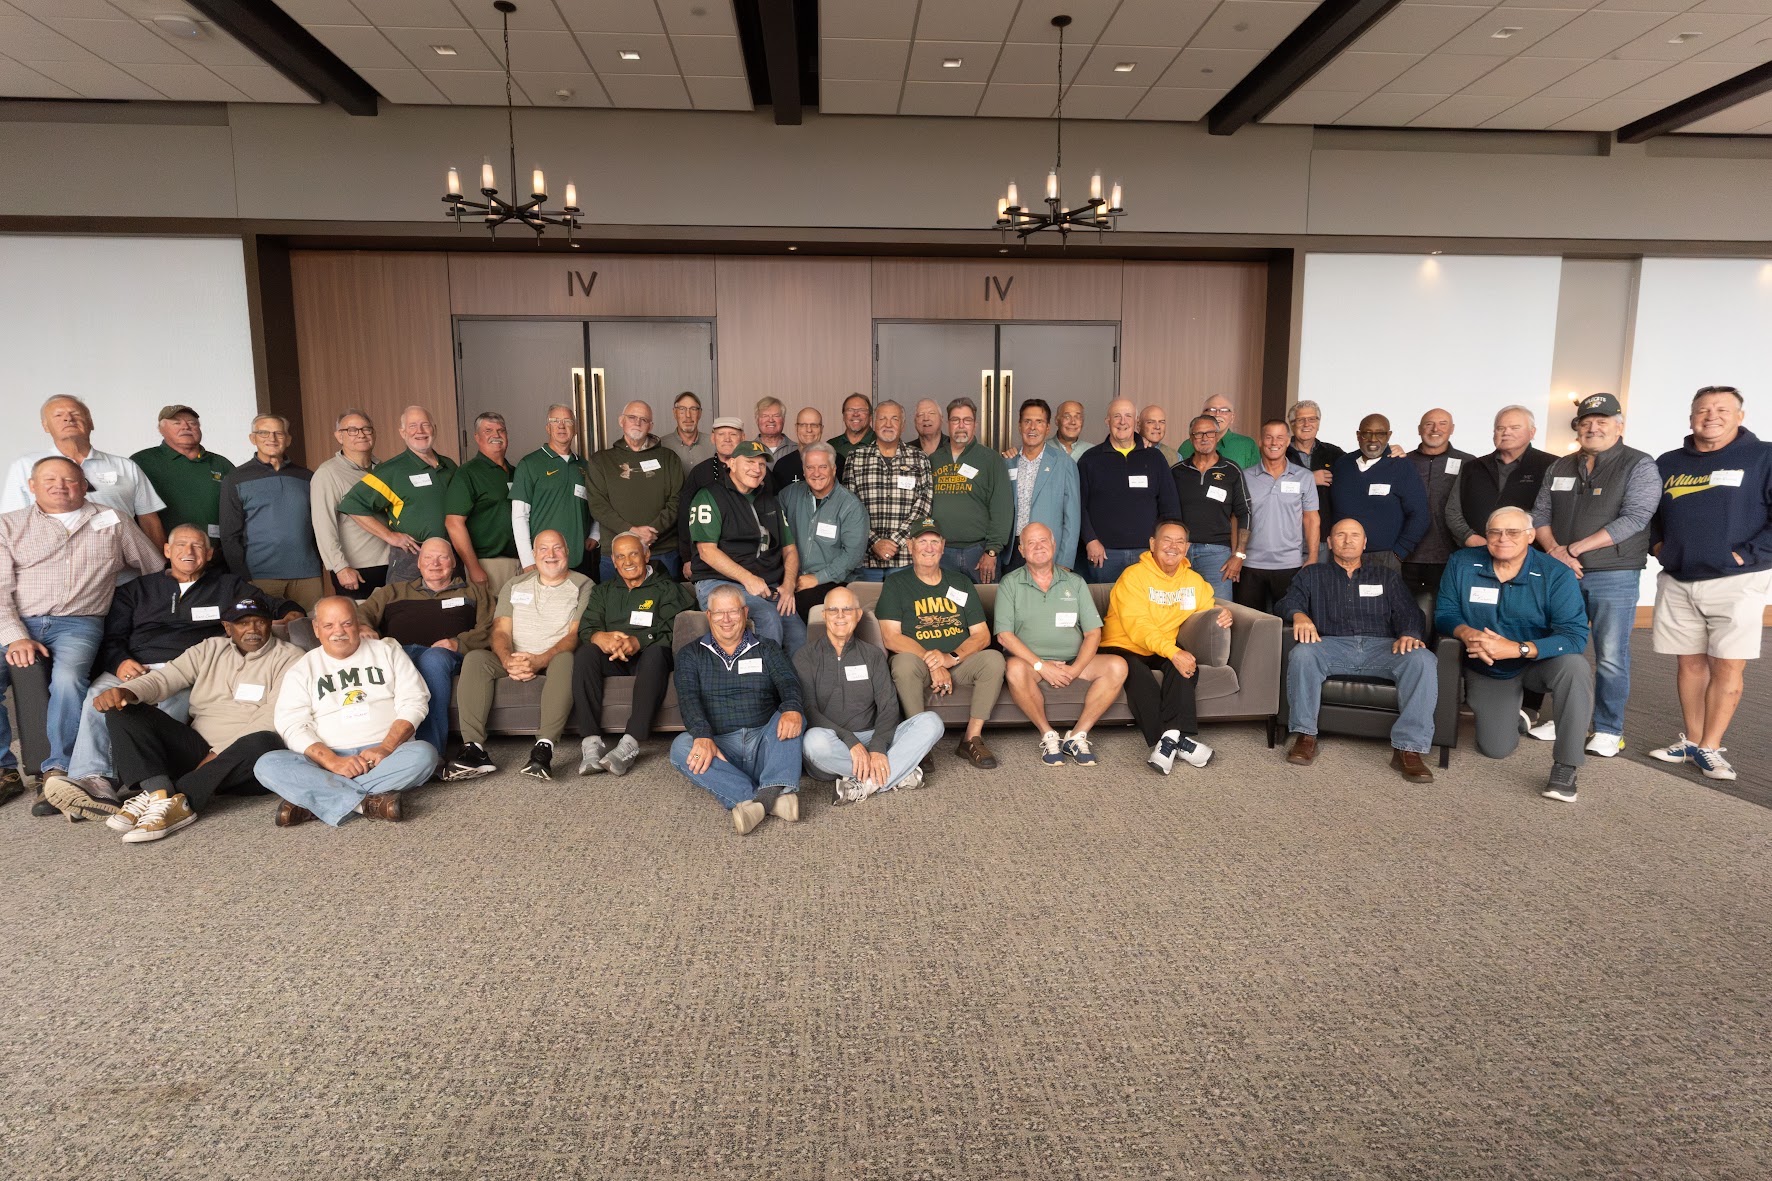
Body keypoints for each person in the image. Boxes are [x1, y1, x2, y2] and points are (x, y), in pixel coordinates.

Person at [65, 523, 300, 805]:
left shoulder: (228, 587)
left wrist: (292, 612)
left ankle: (167, 791)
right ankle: (95, 780)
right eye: (181, 545)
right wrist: (121, 667)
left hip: (190, 674)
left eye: (198, 546)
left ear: (209, 554)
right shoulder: (139, 590)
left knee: (177, 705)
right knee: (108, 700)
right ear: (166, 550)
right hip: (135, 666)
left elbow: (268, 605)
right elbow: (114, 638)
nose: (189, 551)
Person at [4, 457, 164, 819]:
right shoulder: (8, 524)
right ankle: (4, 768)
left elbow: (153, 567)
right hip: (16, 620)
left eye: (69, 479)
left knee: (68, 679)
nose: (60, 486)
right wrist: (15, 637)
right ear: (32, 486)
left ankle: (57, 770)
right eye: (50, 479)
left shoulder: (113, 520)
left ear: (84, 485)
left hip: (79, 622)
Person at [94, 595, 304, 844]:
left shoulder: (290, 657)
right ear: (227, 627)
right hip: (197, 750)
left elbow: (272, 715)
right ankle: (158, 792)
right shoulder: (209, 649)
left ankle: (180, 801)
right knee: (122, 709)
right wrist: (127, 691)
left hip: (243, 764)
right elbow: (165, 678)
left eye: (259, 622)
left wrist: (218, 754)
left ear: (270, 623)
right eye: (242, 623)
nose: (252, 630)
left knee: (264, 740)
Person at [1646, 385, 1772, 783]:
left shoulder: (1764, 456)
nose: (1711, 416)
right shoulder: (1668, 462)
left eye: (1721, 409)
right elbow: (1651, 514)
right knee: (1689, 663)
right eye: (1702, 410)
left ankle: (1712, 747)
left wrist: (1746, 555)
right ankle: (1694, 740)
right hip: (1679, 578)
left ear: (1740, 416)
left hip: (1737, 581)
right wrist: (1658, 546)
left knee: (1727, 664)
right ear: (1691, 418)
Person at [1436, 507, 1593, 803]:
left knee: (1575, 668)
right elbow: (1445, 612)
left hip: (1538, 663)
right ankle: (1516, 717)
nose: (1502, 538)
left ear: (1531, 536)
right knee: (1495, 749)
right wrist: (1467, 633)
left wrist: (1518, 648)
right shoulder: (1462, 562)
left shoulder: (1556, 573)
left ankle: (1566, 765)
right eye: (1495, 532)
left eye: (1512, 532)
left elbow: (1574, 636)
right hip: (1489, 666)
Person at [1532, 392, 1659, 758]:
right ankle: (1566, 719)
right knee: (1562, 647)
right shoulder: (1561, 466)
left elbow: (1635, 518)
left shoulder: (1639, 464)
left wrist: (1573, 549)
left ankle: (1608, 729)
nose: (1592, 428)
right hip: (1562, 573)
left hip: (1613, 574)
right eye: (1586, 422)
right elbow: (1540, 515)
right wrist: (1556, 552)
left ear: (1619, 426)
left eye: (1601, 421)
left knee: (1611, 655)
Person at [1276, 518, 1438, 783]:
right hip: (1331, 645)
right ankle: (1305, 735)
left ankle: (1408, 749)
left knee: (1422, 659)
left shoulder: (1386, 576)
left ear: (1364, 543)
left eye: (1354, 535)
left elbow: (1409, 611)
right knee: (1303, 654)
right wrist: (1298, 614)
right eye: (1340, 535)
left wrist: (1409, 632)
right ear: (1330, 542)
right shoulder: (1312, 574)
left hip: (1382, 648)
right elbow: (1287, 601)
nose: (1348, 540)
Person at [255, 596, 438, 827]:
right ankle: (366, 804)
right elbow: (291, 724)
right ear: (316, 629)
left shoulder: (388, 652)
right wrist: (332, 761)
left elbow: (414, 701)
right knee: (267, 765)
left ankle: (314, 799)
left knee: (424, 755)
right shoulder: (302, 669)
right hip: (324, 761)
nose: (338, 632)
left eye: (346, 623)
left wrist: (386, 747)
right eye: (329, 625)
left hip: (384, 756)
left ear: (357, 623)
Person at [449, 530, 591, 782]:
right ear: (534, 554)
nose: (551, 554)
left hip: (554, 657)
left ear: (567, 552)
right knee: (476, 659)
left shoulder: (583, 584)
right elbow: (500, 631)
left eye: (557, 548)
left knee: (568, 658)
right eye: (543, 549)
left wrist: (540, 660)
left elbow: (574, 635)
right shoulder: (514, 584)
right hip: (514, 657)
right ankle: (474, 749)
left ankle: (543, 748)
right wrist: (507, 660)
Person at [669, 584, 804, 835]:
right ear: (709, 615)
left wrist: (792, 708)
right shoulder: (690, 654)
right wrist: (702, 735)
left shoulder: (767, 648)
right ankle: (770, 798)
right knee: (681, 747)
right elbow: (688, 698)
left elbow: (789, 682)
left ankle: (757, 803)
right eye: (719, 613)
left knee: (792, 715)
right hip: (721, 750)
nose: (726, 619)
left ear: (745, 612)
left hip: (765, 744)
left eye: (732, 611)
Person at [1100, 519, 1231, 774]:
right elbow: (1138, 626)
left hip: (1160, 645)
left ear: (1187, 547)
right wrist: (1172, 651)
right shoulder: (1133, 576)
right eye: (1167, 540)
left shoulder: (1193, 581)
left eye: (1180, 541)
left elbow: (1207, 608)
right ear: (1153, 544)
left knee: (1186, 665)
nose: (1173, 546)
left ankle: (1169, 741)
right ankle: (1177, 740)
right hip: (1122, 643)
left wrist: (1223, 613)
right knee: (1138, 673)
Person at [875, 518, 1005, 770]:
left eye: (935, 541)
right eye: (922, 541)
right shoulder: (896, 584)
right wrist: (934, 662)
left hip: (959, 663)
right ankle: (918, 742)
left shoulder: (961, 582)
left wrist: (951, 658)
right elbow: (891, 637)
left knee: (994, 659)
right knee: (902, 663)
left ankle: (971, 738)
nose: (929, 547)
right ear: (910, 545)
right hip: (919, 665)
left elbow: (981, 635)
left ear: (943, 546)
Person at [995, 522, 1128, 767]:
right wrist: (1042, 666)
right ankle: (1048, 734)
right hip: (1030, 664)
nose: (1038, 547)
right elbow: (1004, 636)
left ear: (1054, 545)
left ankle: (1077, 736)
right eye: (1031, 543)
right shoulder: (1009, 583)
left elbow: (1093, 633)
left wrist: (1074, 670)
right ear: (1021, 550)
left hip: (1073, 660)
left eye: (1043, 541)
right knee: (1013, 669)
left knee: (1118, 665)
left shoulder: (1075, 582)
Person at [796, 585, 943, 802]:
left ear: (858, 615)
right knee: (812, 742)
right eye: (833, 610)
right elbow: (808, 709)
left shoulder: (873, 655)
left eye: (847, 609)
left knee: (931, 722)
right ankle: (896, 773)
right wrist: (850, 741)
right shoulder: (804, 656)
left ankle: (865, 784)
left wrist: (877, 746)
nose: (840, 616)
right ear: (824, 615)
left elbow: (888, 707)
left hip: (873, 736)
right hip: (834, 746)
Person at [355, 537, 494, 764]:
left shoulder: (474, 593)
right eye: (428, 557)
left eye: (442, 557)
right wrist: (363, 627)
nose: (434, 563)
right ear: (419, 563)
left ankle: (431, 753)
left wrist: (458, 643)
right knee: (384, 662)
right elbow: (360, 614)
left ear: (453, 562)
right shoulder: (391, 592)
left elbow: (491, 627)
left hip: (445, 656)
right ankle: (373, 748)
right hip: (398, 653)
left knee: (433, 659)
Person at [571, 531, 694, 777]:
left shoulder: (667, 589)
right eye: (620, 556)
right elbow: (587, 627)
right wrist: (599, 637)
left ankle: (630, 743)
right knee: (585, 654)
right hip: (613, 658)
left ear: (646, 555)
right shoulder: (603, 591)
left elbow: (678, 628)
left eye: (633, 554)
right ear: (613, 561)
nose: (627, 561)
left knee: (656, 654)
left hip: (650, 657)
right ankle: (591, 743)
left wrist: (640, 641)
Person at [688, 438, 806, 653]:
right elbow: (706, 551)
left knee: (798, 634)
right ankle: (765, 675)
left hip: (766, 585)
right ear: (732, 463)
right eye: (750, 462)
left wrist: (789, 585)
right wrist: (747, 578)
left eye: (761, 464)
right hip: (719, 582)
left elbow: (789, 549)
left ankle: (789, 677)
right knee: (768, 617)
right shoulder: (709, 496)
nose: (757, 469)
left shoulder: (770, 500)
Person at [2, 395, 167, 548]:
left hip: (122, 563)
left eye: (76, 414)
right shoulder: (25, 466)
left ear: (91, 422)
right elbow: (11, 524)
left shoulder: (125, 466)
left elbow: (149, 520)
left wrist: (160, 567)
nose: (68, 418)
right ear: (45, 426)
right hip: (54, 564)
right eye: (58, 415)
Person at [338, 404, 458, 585]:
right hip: (411, 556)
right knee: (404, 602)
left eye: (425, 425)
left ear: (434, 429)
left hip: (448, 554)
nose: (420, 431)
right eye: (412, 426)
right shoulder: (391, 470)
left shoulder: (449, 466)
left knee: (453, 601)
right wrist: (390, 536)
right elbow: (352, 504)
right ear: (402, 433)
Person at [218, 414, 324, 611]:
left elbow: (320, 526)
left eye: (278, 433)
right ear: (253, 438)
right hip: (260, 577)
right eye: (264, 433)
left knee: (312, 626)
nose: (272, 439)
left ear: (288, 439)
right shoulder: (235, 479)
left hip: (308, 575)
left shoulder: (308, 477)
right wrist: (243, 577)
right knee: (267, 627)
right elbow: (229, 535)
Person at [1077, 398, 1180, 585]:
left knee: (1145, 603)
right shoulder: (1090, 460)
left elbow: (1170, 506)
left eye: (1128, 416)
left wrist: (1162, 545)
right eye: (1117, 416)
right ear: (1107, 421)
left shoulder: (1155, 458)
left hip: (1147, 554)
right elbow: (1078, 506)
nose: (1122, 422)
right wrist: (1090, 540)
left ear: (1136, 421)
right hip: (1104, 555)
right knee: (1105, 602)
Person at [586, 400, 683, 582]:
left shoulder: (669, 458)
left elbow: (677, 501)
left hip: (662, 551)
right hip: (616, 553)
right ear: (621, 421)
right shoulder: (601, 461)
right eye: (632, 417)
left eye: (643, 419)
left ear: (651, 425)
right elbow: (598, 505)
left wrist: (651, 532)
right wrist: (631, 532)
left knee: (666, 600)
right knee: (616, 600)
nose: (637, 423)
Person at [844, 400, 932, 583]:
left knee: (902, 602)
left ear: (903, 425)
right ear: (873, 423)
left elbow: (924, 506)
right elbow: (848, 508)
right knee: (865, 603)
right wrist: (874, 542)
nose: (888, 424)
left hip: (905, 559)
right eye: (882, 418)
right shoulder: (855, 458)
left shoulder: (919, 459)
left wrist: (896, 542)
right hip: (865, 559)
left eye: (894, 419)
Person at [1237, 418, 1320, 612]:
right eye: (1269, 437)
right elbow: (1236, 518)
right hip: (1250, 564)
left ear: (1288, 441)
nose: (1274, 443)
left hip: (1290, 564)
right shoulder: (1244, 477)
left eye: (1280, 437)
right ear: (1260, 441)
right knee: (1249, 623)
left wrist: (1313, 557)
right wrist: (1237, 554)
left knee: (1290, 621)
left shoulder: (1304, 477)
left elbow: (1311, 519)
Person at [1327, 414, 1428, 571]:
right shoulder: (1342, 464)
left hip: (1383, 558)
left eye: (1380, 433)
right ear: (1358, 435)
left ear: (1389, 435)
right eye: (1367, 433)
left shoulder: (1401, 466)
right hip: (1341, 556)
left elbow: (1420, 514)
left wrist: (1399, 552)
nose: (1373, 439)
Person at [779, 442, 866, 622]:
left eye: (823, 467)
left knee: (802, 605)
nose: (816, 473)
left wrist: (817, 578)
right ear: (803, 471)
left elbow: (852, 556)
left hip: (833, 581)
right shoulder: (788, 496)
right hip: (792, 578)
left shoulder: (850, 506)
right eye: (810, 467)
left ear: (834, 469)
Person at [1446, 405, 1555, 549]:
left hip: (1530, 555)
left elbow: (1555, 515)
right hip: (1474, 551)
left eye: (1515, 428)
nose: (1506, 432)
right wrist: (1469, 537)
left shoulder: (1552, 466)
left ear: (1532, 432)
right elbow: (1453, 510)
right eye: (1500, 428)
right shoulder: (1472, 467)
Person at [929, 398, 1012, 585]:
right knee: (942, 603)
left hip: (979, 552)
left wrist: (992, 551)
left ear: (975, 424)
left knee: (984, 602)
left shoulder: (990, 460)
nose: (961, 426)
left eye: (967, 420)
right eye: (955, 420)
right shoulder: (934, 460)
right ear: (947, 423)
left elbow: (1002, 509)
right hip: (941, 552)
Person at [130, 405, 234, 551]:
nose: (186, 427)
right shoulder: (141, 462)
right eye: (177, 423)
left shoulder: (221, 464)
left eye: (192, 423)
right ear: (160, 429)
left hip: (216, 554)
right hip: (163, 556)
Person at [510, 403, 596, 578]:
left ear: (575, 429)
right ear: (548, 428)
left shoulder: (585, 466)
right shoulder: (529, 464)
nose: (561, 425)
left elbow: (598, 504)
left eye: (567, 421)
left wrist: (595, 534)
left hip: (580, 559)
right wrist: (527, 560)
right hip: (544, 562)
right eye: (555, 421)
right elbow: (519, 515)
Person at [1173, 414, 1251, 603]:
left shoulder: (1231, 470)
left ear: (1217, 436)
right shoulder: (1177, 471)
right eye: (1198, 434)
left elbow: (1244, 513)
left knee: (1219, 610)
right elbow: (1165, 513)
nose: (1204, 438)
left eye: (1209, 433)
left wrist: (1239, 555)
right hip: (1180, 552)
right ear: (1191, 438)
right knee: (1180, 610)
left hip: (1217, 555)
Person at [310, 408, 386, 601]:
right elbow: (323, 526)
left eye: (366, 429)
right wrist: (340, 567)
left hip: (391, 563)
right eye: (352, 430)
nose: (361, 434)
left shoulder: (384, 469)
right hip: (356, 568)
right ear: (339, 436)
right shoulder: (327, 473)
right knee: (360, 619)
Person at [443, 410, 521, 594]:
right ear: (477, 437)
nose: (496, 435)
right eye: (488, 431)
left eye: (501, 430)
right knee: (492, 612)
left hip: (521, 562)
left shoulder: (517, 472)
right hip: (488, 564)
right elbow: (453, 523)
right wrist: (474, 568)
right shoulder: (467, 473)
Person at [1402, 408, 1475, 598]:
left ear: (1452, 429)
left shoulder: (1469, 463)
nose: (1435, 429)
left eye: (1443, 424)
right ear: (1419, 429)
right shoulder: (1403, 462)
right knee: (1403, 609)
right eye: (1429, 424)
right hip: (1406, 555)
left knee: (1445, 609)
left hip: (1450, 555)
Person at [678, 416, 764, 577]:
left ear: (743, 437)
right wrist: (687, 558)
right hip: (708, 563)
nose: (727, 439)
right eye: (721, 434)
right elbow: (684, 516)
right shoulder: (700, 472)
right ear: (713, 438)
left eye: (733, 434)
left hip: (752, 561)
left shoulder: (758, 471)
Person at [1002, 399, 1079, 575]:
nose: (1033, 427)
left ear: (1048, 428)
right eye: (1027, 421)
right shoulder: (1008, 461)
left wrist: (1065, 560)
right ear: (1019, 426)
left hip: (1048, 553)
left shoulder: (1064, 463)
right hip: (1013, 552)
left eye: (1039, 422)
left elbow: (1072, 517)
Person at [1287, 399, 1345, 539]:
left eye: (1312, 419)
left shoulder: (1334, 453)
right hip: (1288, 535)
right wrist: (1309, 479)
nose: (1307, 424)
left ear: (1318, 423)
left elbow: (1361, 464)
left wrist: (1388, 451)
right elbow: (1271, 486)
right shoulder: (1281, 453)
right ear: (1292, 424)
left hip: (1324, 535)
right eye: (1301, 420)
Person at [1179, 395, 1260, 470]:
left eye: (1224, 410)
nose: (1217, 414)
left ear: (1232, 417)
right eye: (1212, 410)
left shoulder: (1247, 445)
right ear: (1202, 415)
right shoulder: (1187, 446)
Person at [771, 407, 831, 488]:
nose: (809, 430)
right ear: (796, 428)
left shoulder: (836, 461)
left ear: (821, 429)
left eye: (814, 425)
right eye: (803, 425)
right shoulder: (782, 465)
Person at [662, 391, 713, 470]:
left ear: (700, 413)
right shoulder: (662, 445)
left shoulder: (713, 444)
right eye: (682, 409)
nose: (688, 415)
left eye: (693, 409)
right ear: (675, 413)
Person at [828, 393, 875, 463]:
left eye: (861, 410)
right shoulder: (830, 446)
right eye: (850, 410)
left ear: (870, 417)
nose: (855, 414)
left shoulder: (882, 444)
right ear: (844, 416)